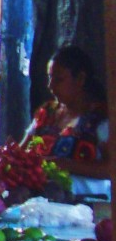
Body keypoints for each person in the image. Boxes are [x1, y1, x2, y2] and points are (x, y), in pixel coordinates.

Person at [23, 45, 109, 198]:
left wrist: (64, 164)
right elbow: (22, 151)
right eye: (50, 78)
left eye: (59, 79)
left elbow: (111, 168)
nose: (51, 86)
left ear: (80, 79)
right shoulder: (46, 114)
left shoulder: (100, 119)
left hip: (87, 208)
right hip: (40, 202)